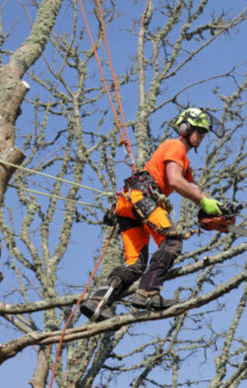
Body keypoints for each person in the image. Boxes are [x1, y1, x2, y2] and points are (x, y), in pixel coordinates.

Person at [80, 107, 223, 320]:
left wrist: (214, 205)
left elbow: (192, 186)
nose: (202, 136)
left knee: (135, 264)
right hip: (141, 198)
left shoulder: (184, 161)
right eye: (200, 131)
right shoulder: (175, 146)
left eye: (204, 133)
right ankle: (148, 293)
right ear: (186, 129)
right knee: (172, 242)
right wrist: (203, 201)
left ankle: (98, 301)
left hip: (128, 205)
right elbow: (175, 180)